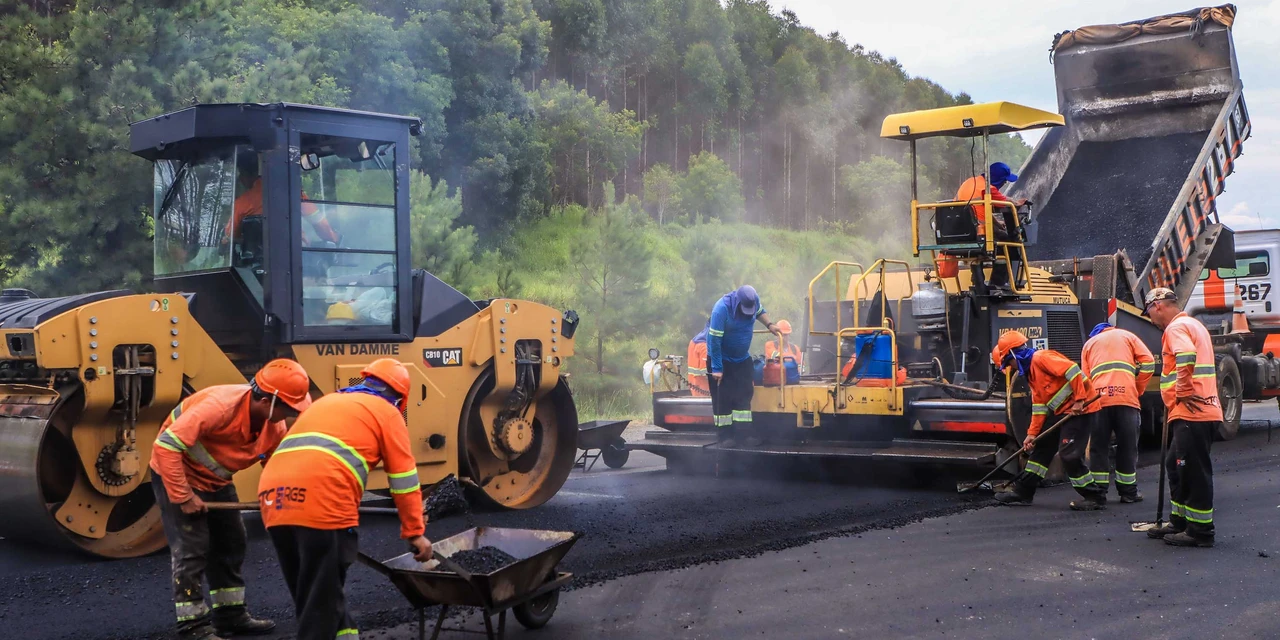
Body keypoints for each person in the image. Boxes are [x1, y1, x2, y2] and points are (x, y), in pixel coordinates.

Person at [259, 358, 432, 638]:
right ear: (400, 398)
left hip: (273, 498)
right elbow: (403, 480)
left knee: (313, 593)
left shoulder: (325, 402)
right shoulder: (387, 413)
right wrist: (415, 532)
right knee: (320, 606)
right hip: (321, 502)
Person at [150, 360, 313, 640]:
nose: (291, 415)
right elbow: (165, 447)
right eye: (288, 408)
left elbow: (278, 468)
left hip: (217, 481)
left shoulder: (273, 426)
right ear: (265, 401)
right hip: (178, 475)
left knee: (232, 542)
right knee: (192, 550)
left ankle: (230, 617)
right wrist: (183, 496)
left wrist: (284, 500)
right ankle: (193, 628)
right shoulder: (218, 408)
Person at [990, 331, 1106, 510]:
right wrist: (1031, 435)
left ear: (1014, 354)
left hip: (1081, 411)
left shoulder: (1041, 358)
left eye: (1008, 363)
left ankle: (1094, 496)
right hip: (1061, 412)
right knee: (1042, 448)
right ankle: (1023, 492)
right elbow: (1039, 407)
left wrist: (1080, 400)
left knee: (1069, 455)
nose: (1011, 367)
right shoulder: (1030, 374)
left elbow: (1073, 370)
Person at [1142, 287, 1221, 548]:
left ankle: (1200, 531)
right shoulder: (1192, 325)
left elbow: (1186, 356)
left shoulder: (1176, 329)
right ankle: (1180, 520)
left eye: (1150, 313)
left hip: (1193, 411)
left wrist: (1182, 390)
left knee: (1192, 470)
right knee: (1175, 465)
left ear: (1158, 306)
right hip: (1190, 410)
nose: (1151, 319)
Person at [1081, 322, 1156, 503]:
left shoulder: (1089, 345)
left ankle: (1099, 492)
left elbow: (1084, 378)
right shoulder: (1127, 336)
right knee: (1128, 447)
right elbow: (1149, 363)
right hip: (1127, 400)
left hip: (1099, 401)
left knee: (1099, 447)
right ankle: (1128, 493)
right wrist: (1137, 387)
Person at [707, 285, 781, 446]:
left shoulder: (753, 301)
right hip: (722, 360)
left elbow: (760, 311)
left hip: (741, 359)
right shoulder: (721, 309)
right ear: (737, 302)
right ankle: (725, 437)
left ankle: (743, 435)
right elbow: (714, 341)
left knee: (744, 395)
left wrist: (770, 325)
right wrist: (717, 368)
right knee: (723, 399)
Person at [224, 151, 340, 247]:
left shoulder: (241, 204)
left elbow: (230, 240)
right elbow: (321, 226)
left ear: (243, 175)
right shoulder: (294, 194)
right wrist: (335, 239)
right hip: (295, 260)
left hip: (256, 269)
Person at [955, 162, 1027, 290]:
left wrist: (998, 224)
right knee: (1009, 244)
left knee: (994, 240)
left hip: (962, 232)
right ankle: (998, 283)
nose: (1005, 183)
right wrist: (1017, 202)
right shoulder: (988, 189)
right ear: (998, 178)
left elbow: (980, 210)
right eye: (1004, 180)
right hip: (979, 232)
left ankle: (977, 279)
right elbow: (1006, 201)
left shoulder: (969, 182)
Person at [686, 328, 709, 397]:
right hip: (705, 391)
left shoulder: (694, 342)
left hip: (696, 386)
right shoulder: (704, 346)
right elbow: (707, 372)